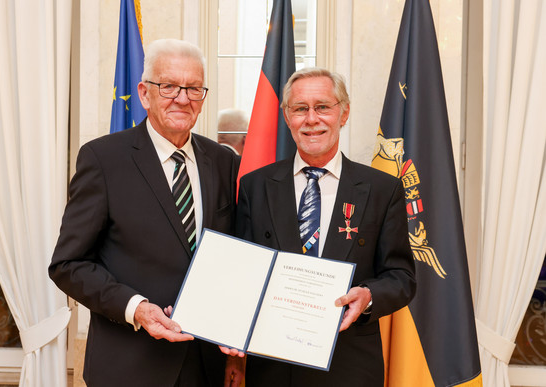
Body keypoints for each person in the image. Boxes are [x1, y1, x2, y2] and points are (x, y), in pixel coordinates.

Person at [49, 39, 242, 386]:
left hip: (206, 365)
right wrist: (136, 307)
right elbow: (68, 264)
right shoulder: (103, 159)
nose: (182, 98)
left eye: (193, 88)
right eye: (168, 86)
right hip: (129, 366)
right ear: (143, 93)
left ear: (203, 96)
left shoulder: (224, 162)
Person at [234, 67, 416, 386]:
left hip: (350, 366)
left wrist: (368, 296)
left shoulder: (382, 189)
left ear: (343, 114)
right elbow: (241, 275)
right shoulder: (255, 186)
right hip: (274, 368)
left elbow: (401, 276)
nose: (312, 119)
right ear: (287, 116)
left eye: (323, 107)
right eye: (300, 108)